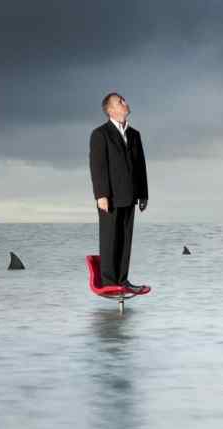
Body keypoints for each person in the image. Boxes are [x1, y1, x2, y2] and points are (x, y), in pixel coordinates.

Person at [89, 92, 149, 291]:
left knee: (125, 239)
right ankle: (108, 280)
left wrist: (143, 193)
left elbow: (140, 166)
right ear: (110, 110)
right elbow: (98, 167)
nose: (125, 103)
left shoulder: (134, 134)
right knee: (110, 238)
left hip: (130, 195)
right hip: (110, 197)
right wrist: (101, 195)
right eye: (120, 101)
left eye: (124, 100)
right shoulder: (100, 134)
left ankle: (122, 279)